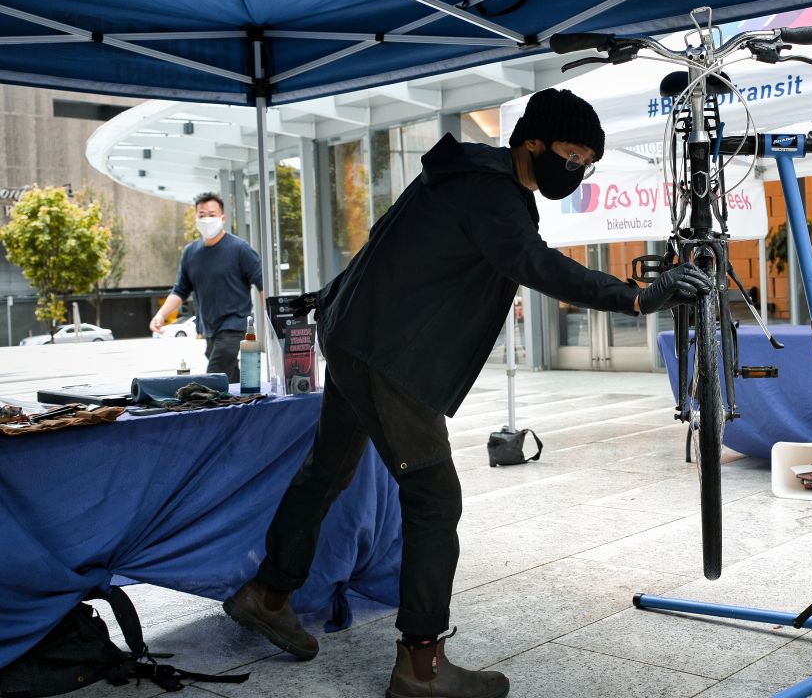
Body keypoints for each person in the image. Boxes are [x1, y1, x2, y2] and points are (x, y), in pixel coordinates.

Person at [221, 88, 708, 698]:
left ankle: (267, 595)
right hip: (389, 354)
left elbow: (381, 237)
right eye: (572, 155)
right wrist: (636, 296)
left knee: (326, 471)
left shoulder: (464, 172)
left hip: (354, 334)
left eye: (588, 163)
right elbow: (537, 265)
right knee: (433, 499)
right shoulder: (490, 192)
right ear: (532, 142)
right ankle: (420, 667)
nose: (578, 170)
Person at [150, 192, 262, 382]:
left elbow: (262, 284)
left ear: (223, 218)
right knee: (230, 379)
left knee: (213, 378)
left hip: (234, 325)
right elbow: (181, 290)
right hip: (209, 328)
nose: (207, 219)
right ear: (195, 218)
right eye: (202, 215)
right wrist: (160, 314)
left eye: (212, 214)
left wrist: (274, 319)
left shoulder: (240, 249)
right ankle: (244, 405)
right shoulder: (190, 252)